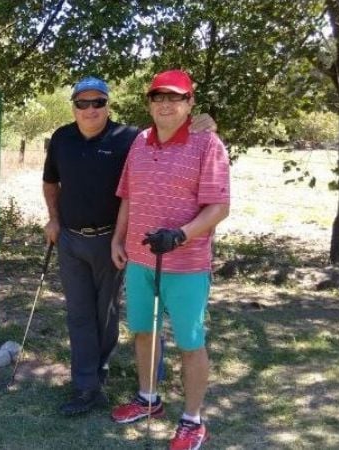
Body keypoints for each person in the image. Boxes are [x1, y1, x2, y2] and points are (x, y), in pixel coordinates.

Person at [43, 76, 215, 416]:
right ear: (73, 106)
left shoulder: (130, 139)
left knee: (107, 314)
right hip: (71, 240)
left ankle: (128, 375)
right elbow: (50, 182)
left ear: (108, 105)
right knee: (79, 314)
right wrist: (53, 218)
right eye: (82, 103)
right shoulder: (62, 138)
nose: (90, 109)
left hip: (112, 240)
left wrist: (206, 124)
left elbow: (171, 132)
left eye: (98, 103)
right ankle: (86, 386)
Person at [110, 69, 229, 450]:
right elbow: (128, 195)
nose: (166, 104)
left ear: (189, 103)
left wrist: (180, 234)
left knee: (190, 342)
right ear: (149, 103)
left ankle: (193, 421)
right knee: (144, 331)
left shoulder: (208, 144)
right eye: (158, 97)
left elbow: (219, 207)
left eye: (175, 97)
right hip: (141, 260)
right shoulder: (140, 143)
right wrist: (118, 238)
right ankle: (148, 399)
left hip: (187, 264)